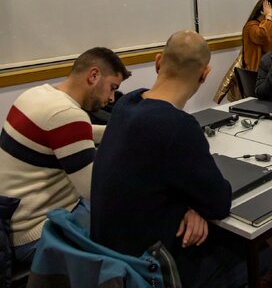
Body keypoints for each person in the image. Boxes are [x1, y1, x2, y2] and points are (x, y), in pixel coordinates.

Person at [91, 31, 261, 287]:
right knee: (257, 254)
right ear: (204, 74)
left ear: (158, 62)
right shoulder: (178, 126)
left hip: (110, 260)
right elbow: (219, 203)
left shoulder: (126, 104)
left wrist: (191, 207)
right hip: (147, 269)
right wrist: (197, 205)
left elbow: (150, 177)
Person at [0, 47, 130, 263]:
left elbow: (72, 133)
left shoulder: (37, 94)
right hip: (37, 232)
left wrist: (120, 131)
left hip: (13, 222)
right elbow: (97, 192)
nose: (111, 98)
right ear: (94, 75)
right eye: (112, 88)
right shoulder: (67, 115)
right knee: (133, 221)